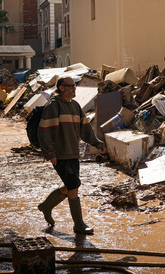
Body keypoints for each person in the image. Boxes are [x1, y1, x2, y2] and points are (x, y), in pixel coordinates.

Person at [36, 76, 106, 235]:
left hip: (73, 153)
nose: (75, 89)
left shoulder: (75, 106)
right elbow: (44, 131)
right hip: (59, 154)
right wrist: (50, 152)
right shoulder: (53, 106)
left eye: (75, 86)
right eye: (71, 86)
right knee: (73, 186)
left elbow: (85, 130)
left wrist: (97, 144)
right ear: (61, 88)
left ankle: (46, 206)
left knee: (71, 186)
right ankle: (79, 225)